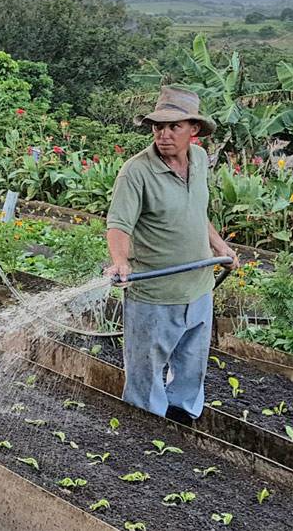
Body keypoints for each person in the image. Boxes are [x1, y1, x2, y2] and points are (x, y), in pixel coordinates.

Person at [104, 86, 239, 423]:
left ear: (193, 129)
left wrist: (219, 245)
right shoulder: (136, 172)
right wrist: (120, 262)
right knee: (145, 375)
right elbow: (118, 225)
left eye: (173, 127)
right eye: (157, 127)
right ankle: (144, 434)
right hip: (155, 295)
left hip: (198, 289)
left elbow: (197, 210)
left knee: (191, 366)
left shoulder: (199, 160)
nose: (163, 135)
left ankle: (181, 428)